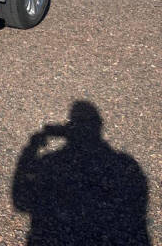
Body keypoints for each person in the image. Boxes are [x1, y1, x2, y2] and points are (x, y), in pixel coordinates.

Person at [12, 101, 150, 245]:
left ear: (68, 129)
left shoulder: (51, 164)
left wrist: (31, 149)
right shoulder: (125, 166)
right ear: (99, 126)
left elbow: (21, 200)